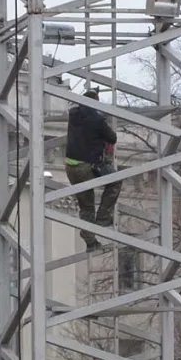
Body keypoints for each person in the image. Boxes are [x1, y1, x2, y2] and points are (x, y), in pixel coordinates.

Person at [64, 88, 121, 252]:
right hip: (87, 166)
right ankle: (103, 217)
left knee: (86, 205)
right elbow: (112, 138)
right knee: (115, 181)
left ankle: (91, 242)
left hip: (70, 167)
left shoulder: (73, 114)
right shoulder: (97, 119)